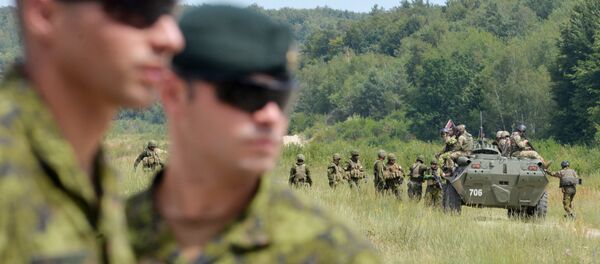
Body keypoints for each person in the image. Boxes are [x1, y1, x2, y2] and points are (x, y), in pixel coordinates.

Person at [126, 5, 379, 263]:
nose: (271, 116)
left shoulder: (332, 252)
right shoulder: (106, 241)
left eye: (279, 98)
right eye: (247, 95)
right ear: (174, 95)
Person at [0, 0, 183, 262]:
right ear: (44, 14)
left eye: (169, 11)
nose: (171, 38)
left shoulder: (97, 177)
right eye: (139, 10)